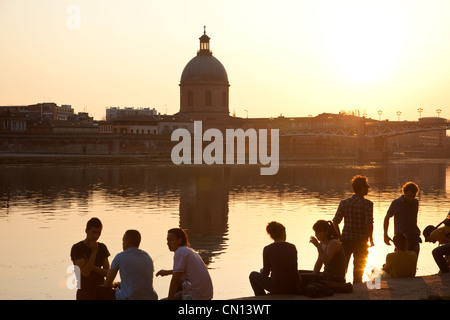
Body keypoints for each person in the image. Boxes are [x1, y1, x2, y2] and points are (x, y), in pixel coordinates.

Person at [332, 175, 374, 283]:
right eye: (367, 187)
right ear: (362, 188)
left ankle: (341, 286)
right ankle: (357, 287)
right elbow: (369, 223)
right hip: (361, 240)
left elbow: (335, 222)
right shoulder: (368, 204)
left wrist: (339, 237)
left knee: (343, 267)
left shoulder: (344, 203)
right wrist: (371, 238)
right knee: (359, 269)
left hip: (346, 240)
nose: (368, 189)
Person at [96, 229, 158, 300]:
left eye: (123, 241)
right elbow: (139, 281)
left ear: (127, 242)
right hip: (151, 297)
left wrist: (115, 284)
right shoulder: (147, 257)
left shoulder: (120, 256)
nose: (122, 244)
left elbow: (107, 284)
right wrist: (122, 285)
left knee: (100, 290)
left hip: (131, 298)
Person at [156, 228, 213, 300]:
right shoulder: (188, 251)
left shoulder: (180, 252)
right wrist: (167, 272)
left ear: (179, 241)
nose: (168, 243)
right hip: (207, 295)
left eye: (171, 240)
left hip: (196, 296)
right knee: (181, 282)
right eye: (167, 240)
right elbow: (183, 271)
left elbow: (175, 280)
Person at [249, 221, 301, 296]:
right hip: (292, 287)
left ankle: (261, 296)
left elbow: (266, 273)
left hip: (277, 287)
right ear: (283, 233)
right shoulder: (292, 247)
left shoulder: (267, 249)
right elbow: (294, 269)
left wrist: (262, 271)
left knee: (253, 275)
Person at [70, 217, 110, 300]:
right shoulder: (77, 248)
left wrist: (92, 266)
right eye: (93, 232)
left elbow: (108, 273)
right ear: (86, 231)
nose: (96, 236)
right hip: (84, 293)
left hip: (100, 293)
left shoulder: (102, 247)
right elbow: (85, 273)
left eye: (99, 233)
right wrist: (94, 252)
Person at [300, 220, 347, 286]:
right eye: (315, 232)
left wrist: (318, 246)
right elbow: (319, 261)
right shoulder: (322, 243)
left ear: (326, 232)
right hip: (326, 274)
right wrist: (313, 275)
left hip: (335, 277)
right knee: (298, 273)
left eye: (318, 232)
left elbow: (326, 261)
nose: (316, 235)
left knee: (302, 277)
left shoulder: (333, 243)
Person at [383, 182, 421, 259]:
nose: (411, 199)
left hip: (414, 237)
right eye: (409, 196)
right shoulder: (396, 203)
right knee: (399, 261)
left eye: (413, 196)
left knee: (413, 263)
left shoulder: (415, 202)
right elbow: (387, 218)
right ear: (404, 193)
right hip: (400, 239)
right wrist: (385, 234)